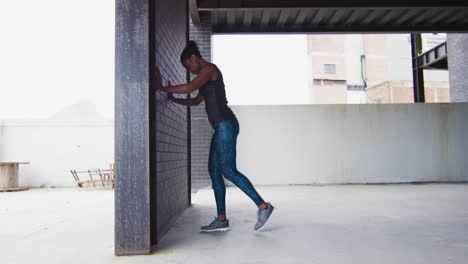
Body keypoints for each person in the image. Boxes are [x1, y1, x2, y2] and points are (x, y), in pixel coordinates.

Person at [155, 40, 275, 232]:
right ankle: (221, 220)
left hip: (226, 125)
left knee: (228, 170)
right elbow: (194, 100)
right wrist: (173, 99)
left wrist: (163, 88)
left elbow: (189, 87)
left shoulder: (210, 69)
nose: (191, 70)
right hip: (220, 128)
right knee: (214, 170)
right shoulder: (204, 80)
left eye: (189, 66)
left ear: (194, 58)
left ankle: (264, 207)